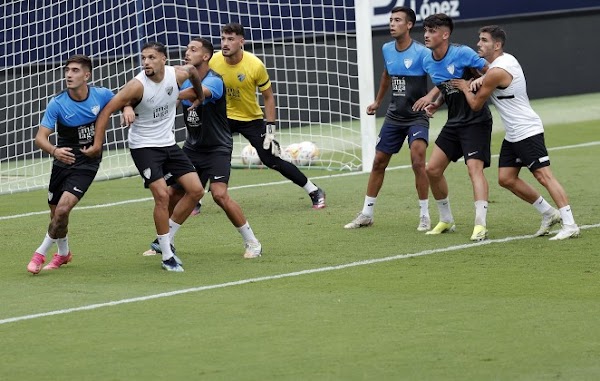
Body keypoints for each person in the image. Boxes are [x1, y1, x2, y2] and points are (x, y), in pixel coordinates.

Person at [83, 41, 205, 272]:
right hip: (144, 147)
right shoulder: (136, 86)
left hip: (168, 144)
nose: (146, 62)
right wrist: (98, 144)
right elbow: (107, 109)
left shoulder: (177, 75)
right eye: (143, 58)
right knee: (162, 196)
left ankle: (164, 238)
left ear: (163, 59)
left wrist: (198, 96)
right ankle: (167, 256)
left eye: (151, 58)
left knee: (196, 190)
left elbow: (192, 72)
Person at [450, 25, 579, 240]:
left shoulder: (498, 71)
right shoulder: (503, 62)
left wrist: (465, 86)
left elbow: (474, 104)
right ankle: (549, 213)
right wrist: (479, 79)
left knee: (544, 176)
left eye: (484, 40)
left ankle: (570, 224)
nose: (478, 44)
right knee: (506, 178)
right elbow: (488, 75)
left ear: (497, 45)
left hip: (527, 130)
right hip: (513, 134)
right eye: (479, 39)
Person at [147, 37, 262, 258]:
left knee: (219, 195)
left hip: (217, 148)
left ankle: (252, 242)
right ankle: (164, 241)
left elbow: (195, 94)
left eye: (193, 49)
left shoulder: (215, 81)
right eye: (187, 49)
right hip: (192, 148)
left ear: (206, 56)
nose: (187, 52)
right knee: (173, 192)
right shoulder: (181, 78)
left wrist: (167, 94)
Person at [27, 55, 134, 274]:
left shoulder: (101, 95)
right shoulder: (57, 103)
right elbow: (40, 138)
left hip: (87, 162)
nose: (68, 74)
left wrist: (127, 108)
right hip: (62, 162)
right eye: (67, 70)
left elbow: (126, 98)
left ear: (87, 75)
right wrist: (55, 151)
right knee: (58, 215)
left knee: (64, 209)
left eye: (75, 70)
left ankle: (39, 253)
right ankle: (64, 253)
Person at [208, 22, 326, 210]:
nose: (225, 43)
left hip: (251, 120)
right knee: (207, 154)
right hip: (223, 118)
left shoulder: (255, 65)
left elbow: (268, 97)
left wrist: (270, 131)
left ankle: (314, 190)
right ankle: (194, 201)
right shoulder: (213, 61)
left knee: (272, 159)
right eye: (223, 38)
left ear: (241, 41)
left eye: (230, 39)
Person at [344, 6, 439, 231]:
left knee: (417, 160)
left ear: (408, 25)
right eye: (390, 20)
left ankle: (425, 215)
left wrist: (430, 97)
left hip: (416, 117)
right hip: (394, 117)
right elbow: (386, 75)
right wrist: (378, 102)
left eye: (397, 20)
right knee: (378, 162)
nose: (392, 24)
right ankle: (366, 213)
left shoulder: (423, 53)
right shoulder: (387, 48)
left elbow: (440, 78)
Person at [421, 13, 493, 241]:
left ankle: (480, 224)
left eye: (432, 31)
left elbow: (492, 71)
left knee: (474, 169)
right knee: (432, 170)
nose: (426, 35)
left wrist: (472, 83)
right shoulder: (428, 60)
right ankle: (446, 219)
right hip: (454, 122)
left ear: (445, 34)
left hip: (476, 120)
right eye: (425, 30)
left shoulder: (462, 53)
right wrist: (436, 104)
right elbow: (446, 86)